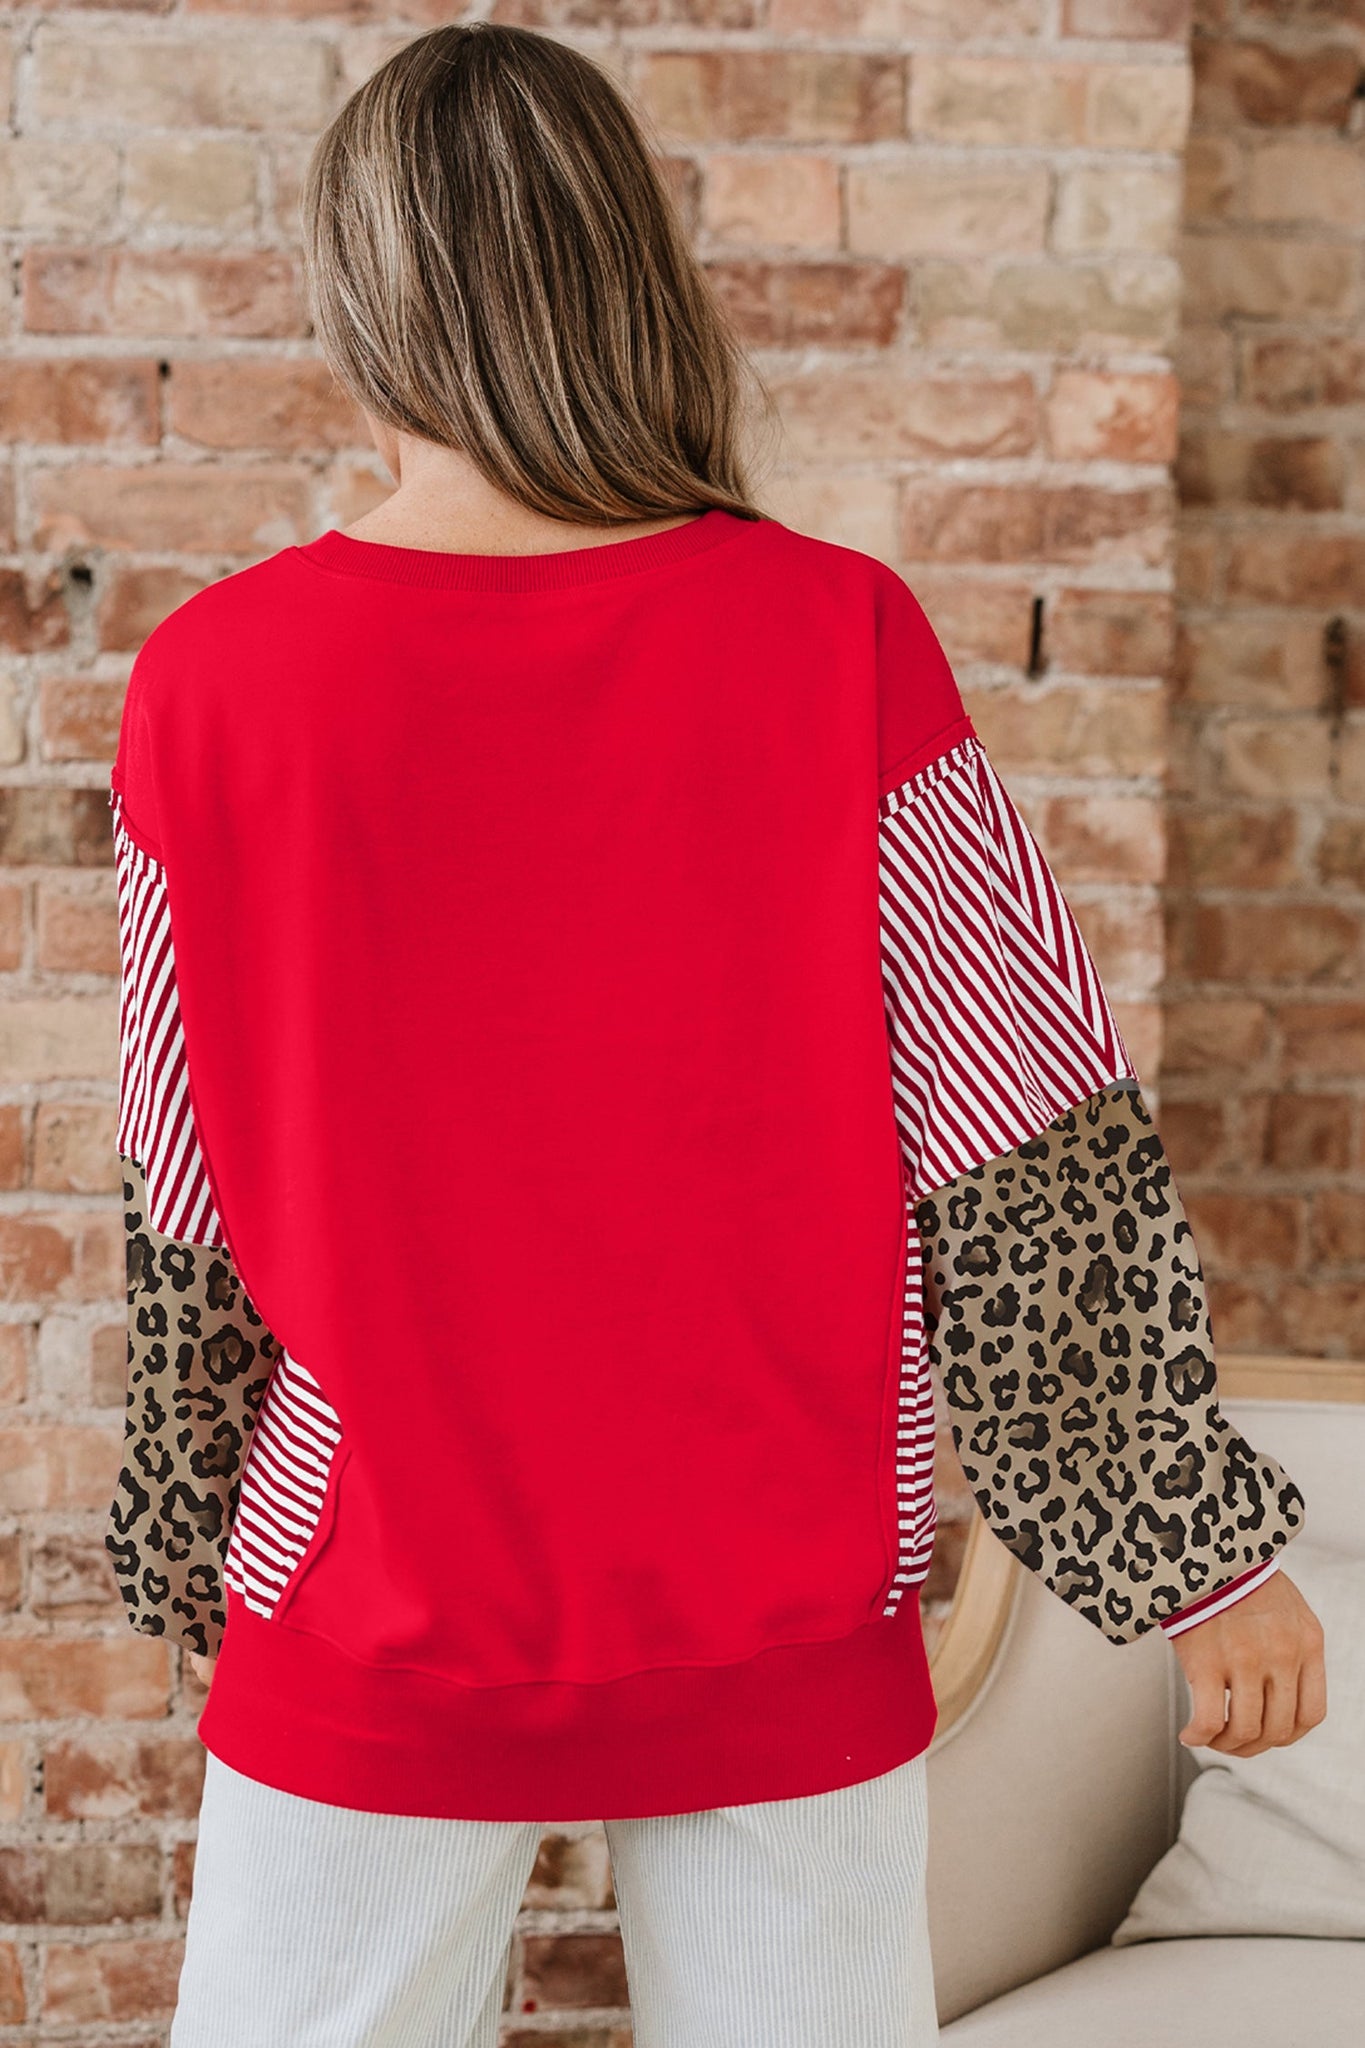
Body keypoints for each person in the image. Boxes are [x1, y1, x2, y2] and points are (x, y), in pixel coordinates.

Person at [103, 21, 1326, 2048]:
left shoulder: (208, 687)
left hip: (365, 1595)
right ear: (630, 272)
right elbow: (1028, 1147)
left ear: (354, 292)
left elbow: (185, 1211)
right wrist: (1188, 1553)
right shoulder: (832, 640)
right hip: (776, 1582)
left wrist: (176, 1535)